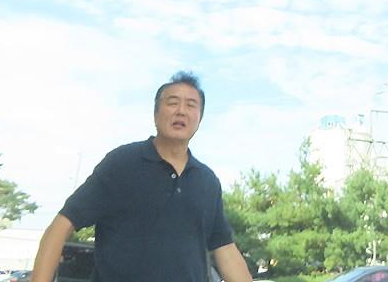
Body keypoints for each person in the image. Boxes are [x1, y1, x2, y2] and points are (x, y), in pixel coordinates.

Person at [30, 71, 253, 282]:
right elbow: (61, 226)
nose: (181, 111)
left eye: (191, 105)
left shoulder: (207, 181)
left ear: (199, 118)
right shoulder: (121, 163)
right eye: (172, 102)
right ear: (156, 114)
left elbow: (225, 250)